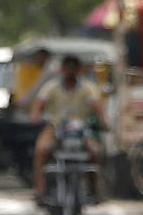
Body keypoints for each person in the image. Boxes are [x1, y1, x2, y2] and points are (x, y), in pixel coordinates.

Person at [28, 55, 107, 196]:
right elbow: (38, 104)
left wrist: (103, 121)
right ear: (62, 69)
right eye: (67, 68)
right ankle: (39, 188)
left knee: (95, 152)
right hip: (55, 128)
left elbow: (98, 107)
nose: (70, 71)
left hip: (81, 130)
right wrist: (35, 116)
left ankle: (94, 188)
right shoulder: (51, 87)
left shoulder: (88, 88)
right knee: (41, 150)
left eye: (73, 68)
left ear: (79, 70)